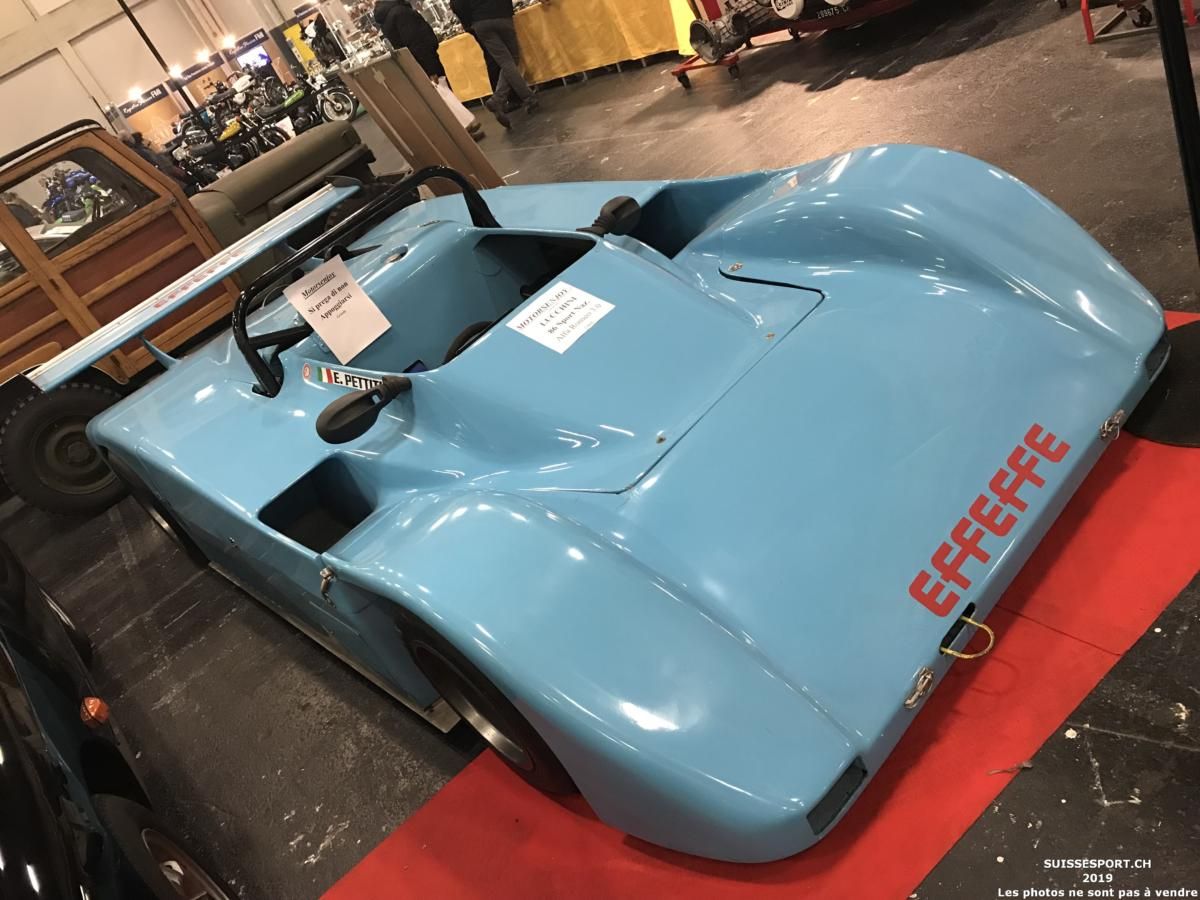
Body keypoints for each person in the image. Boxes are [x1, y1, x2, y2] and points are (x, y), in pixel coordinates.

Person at [373, 0, 484, 139]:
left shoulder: (388, 15)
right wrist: (430, 69)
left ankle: (464, 129)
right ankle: (463, 133)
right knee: (442, 97)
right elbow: (416, 42)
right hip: (424, 61)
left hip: (416, 62)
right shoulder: (400, 12)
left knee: (441, 97)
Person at [449, 0, 537, 128]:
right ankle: (525, 98)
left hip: (480, 22)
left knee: (505, 61)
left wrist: (469, 23)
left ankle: (500, 99)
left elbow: (457, 5)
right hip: (502, 15)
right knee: (511, 59)